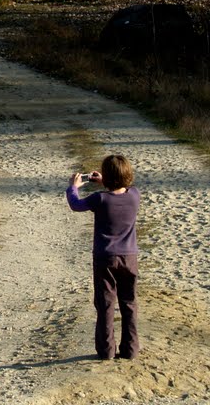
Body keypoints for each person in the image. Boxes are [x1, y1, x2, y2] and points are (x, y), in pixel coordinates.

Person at [66, 154, 140, 360]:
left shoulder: (100, 199)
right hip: (129, 256)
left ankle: (106, 350)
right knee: (129, 303)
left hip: (104, 257)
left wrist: (73, 186)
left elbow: (75, 204)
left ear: (107, 176)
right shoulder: (134, 195)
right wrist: (106, 181)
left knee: (105, 304)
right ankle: (131, 349)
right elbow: (124, 188)